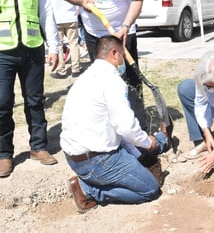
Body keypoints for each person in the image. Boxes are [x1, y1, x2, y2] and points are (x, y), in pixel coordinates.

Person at [60, 35, 172, 213]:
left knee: (144, 144)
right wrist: (147, 143)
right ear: (114, 53)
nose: (124, 62)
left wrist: (139, 149)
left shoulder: (84, 78)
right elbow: (126, 126)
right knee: (150, 188)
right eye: (122, 55)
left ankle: (161, 141)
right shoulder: (112, 82)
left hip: (75, 157)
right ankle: (88, 190)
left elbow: (117, 128)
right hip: (98, 160)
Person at [61, 0, 147, 129]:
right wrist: (81, 0)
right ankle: (110, 128)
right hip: (95, 35)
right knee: (103, 84)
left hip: (123, 33)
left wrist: (125, 26)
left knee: (130, 82)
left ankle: (138, 127)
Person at [0, 0, 60, 177]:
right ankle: (4, 154)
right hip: (3, 52)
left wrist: (53, 47)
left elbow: (46, 12)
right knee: (2, 103)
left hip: (32, 49)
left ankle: (39, 147)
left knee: (35, 101)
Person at [37, 0, 82, 79]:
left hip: (55, 16)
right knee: (74, 43)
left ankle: (61, 70)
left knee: (59, 45)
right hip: (71, 14)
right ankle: (76, 68)